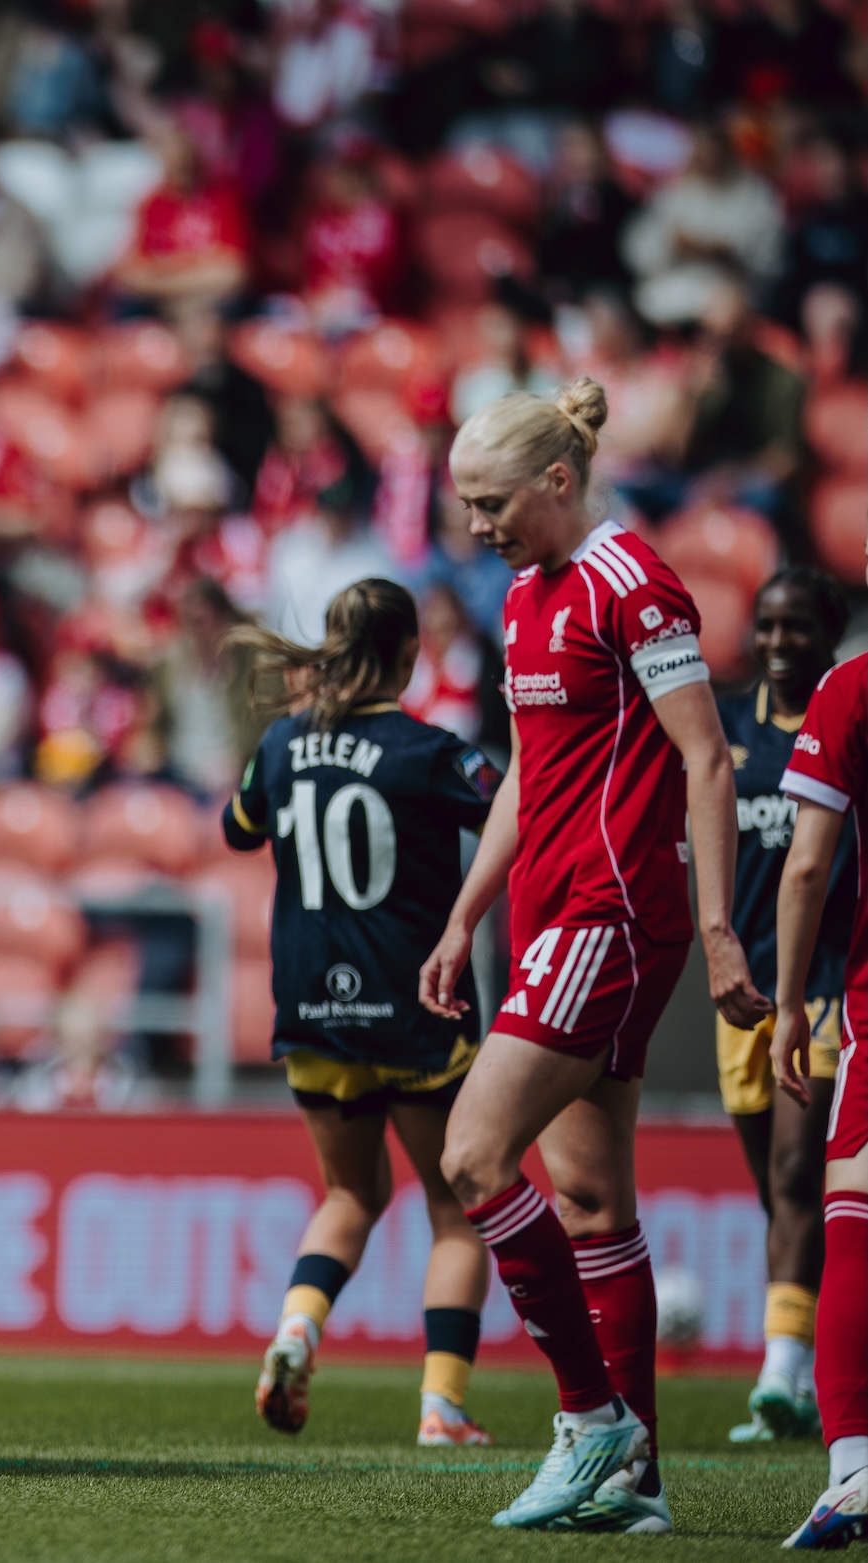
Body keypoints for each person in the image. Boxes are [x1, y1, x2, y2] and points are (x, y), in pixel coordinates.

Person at [418, 379, 765, 1534]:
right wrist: (465, 914)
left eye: (489, 501)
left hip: (607, 913)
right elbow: (529, 768)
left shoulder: (633, 586)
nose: (475, 525)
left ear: (556, 482)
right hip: (542, 911)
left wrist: (719, 927)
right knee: (586, 1195)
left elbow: (704, 760)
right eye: (465, 503)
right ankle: (637, 1483)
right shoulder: (525, 596)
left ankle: (588, 1420)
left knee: (471, 1158)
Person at [222, 579, 497, 1448]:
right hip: (413, 1004)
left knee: (349, 1190)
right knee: (455, 1210)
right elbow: (513, 813)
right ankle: (441, 1407)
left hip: (312, 1006)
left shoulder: (279, 741)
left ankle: (296, 1331)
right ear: (411, 652)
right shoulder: (428, 752)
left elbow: (237, 828)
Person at [719, 568, 855, 1447]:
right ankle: (800, 1365)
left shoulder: (847, 717)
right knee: (776, 1194)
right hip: (746, 994)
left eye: (796, 627)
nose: (776, 642)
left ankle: (776, 1375)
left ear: (827, 634)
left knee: (797, 1178)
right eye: (766, 625)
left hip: (826, 986)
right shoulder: (726, 730)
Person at [769, 553, 868, 1548]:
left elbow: (805, 866)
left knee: (852, 1214)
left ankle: (851, 1469)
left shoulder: (849, 687)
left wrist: (793, 1001)